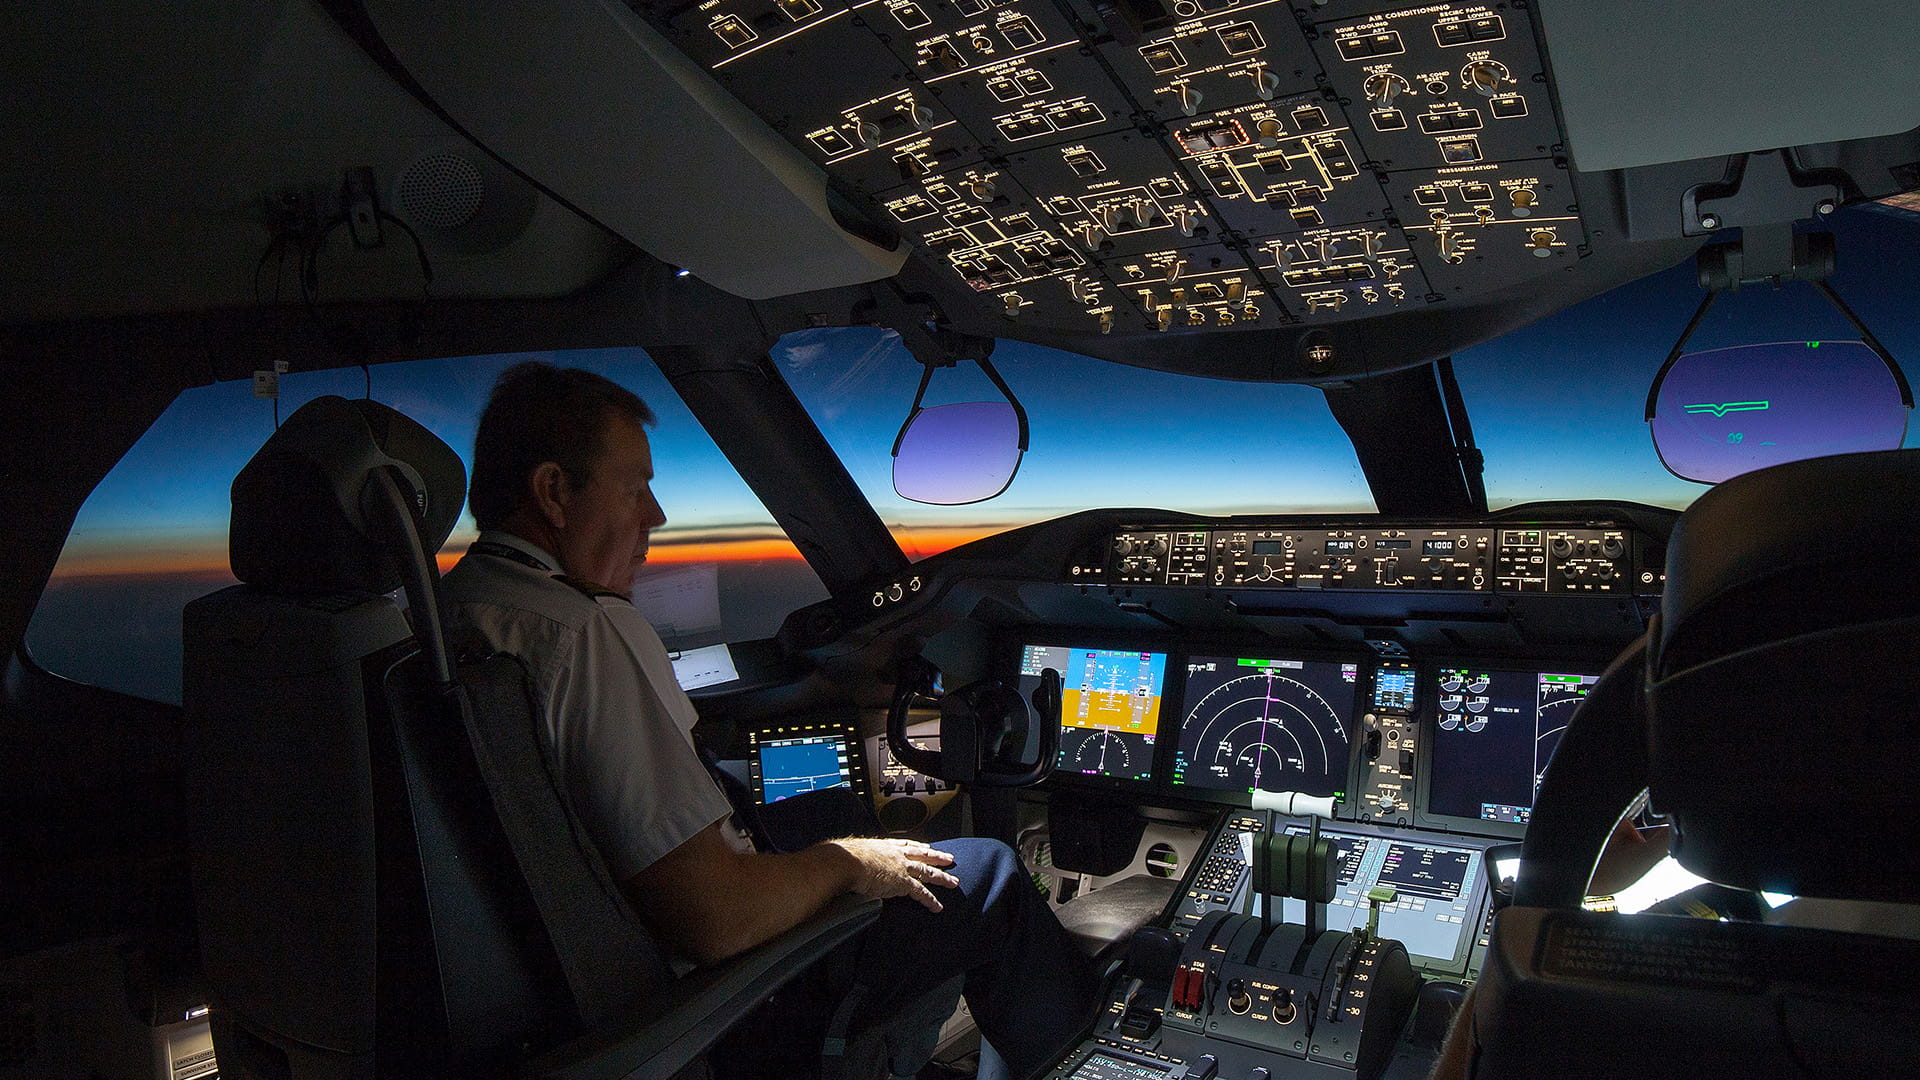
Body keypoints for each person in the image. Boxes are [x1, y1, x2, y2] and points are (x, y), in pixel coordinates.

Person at [442, 361, 1099, 1079]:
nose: (655, 516)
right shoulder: (584, 631)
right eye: (635, 489)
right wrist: (849, 863)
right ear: (552, 493)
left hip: (568, 981)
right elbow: (714, 920)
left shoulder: (459, 608)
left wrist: (837, 845)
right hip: (714, 1007)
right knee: (993, 876)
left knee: (838, 806)